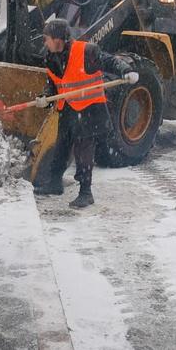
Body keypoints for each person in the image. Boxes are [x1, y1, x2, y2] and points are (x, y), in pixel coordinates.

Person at [33, 19, 137, 209]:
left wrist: (126, 71)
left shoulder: (86, 51)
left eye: (47, 38)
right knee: (61, 146)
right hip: (69, 108)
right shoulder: (50, 57)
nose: (45, 43)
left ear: (58, 39)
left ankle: (86, 193)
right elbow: (54, 85)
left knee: (83, 151)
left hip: (89, 109)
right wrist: (45, 98)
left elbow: (110, 61)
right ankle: (54, 183)